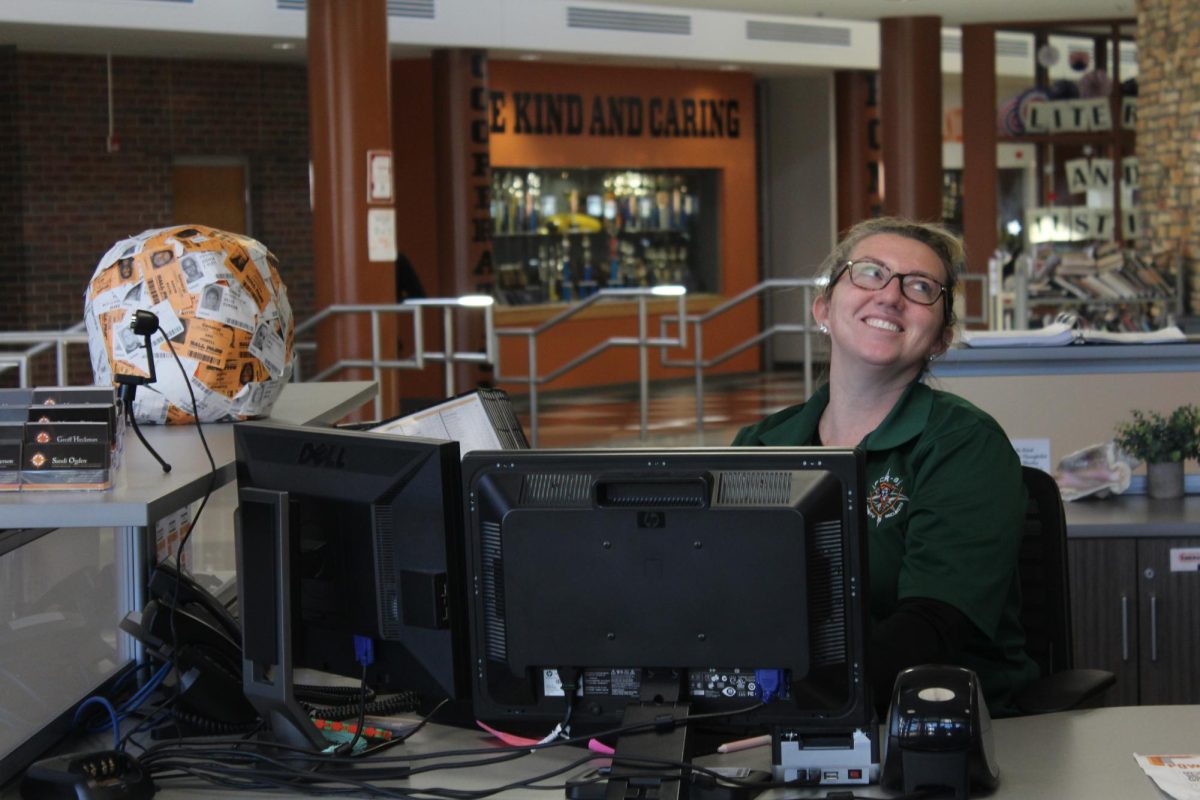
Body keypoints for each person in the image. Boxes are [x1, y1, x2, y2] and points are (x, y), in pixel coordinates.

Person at [732, 217, 1038, 717]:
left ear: (941, 337)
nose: (891, 296)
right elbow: (722, 595)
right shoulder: (763, 444)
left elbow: (931, 629)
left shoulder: (964, 444)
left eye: (920, 288)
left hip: (938, 724)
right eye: (870, 273)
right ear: (823, 308)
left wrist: (799, 714)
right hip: (775, 712)